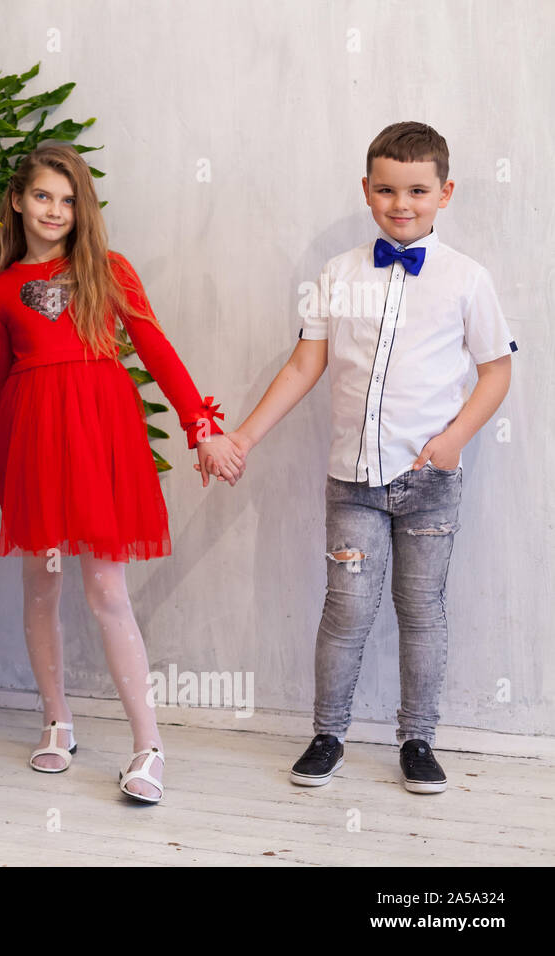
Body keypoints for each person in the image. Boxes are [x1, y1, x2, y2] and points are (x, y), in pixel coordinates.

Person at [219, 122, 515, 794]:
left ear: (445, 192)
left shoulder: (468, 280)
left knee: (422, 609)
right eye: (386, 189)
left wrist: (455, 438)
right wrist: (242, 436)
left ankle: (418, 739)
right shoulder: (338, 274)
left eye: (417, 189)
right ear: (367, 190)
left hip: (429, 481)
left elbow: (496, 372)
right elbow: (304, 364)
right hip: (351, 480)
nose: (401, 203)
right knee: (346, 609)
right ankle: (328, 734)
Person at [0, 142, 241, 804]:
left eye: (68, 200)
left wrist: (200, 426)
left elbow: (156, 350)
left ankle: (148, 746)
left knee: (106, 591)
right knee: (41, 583)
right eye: (42, 196)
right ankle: (57, 721)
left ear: (82, 208)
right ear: (17, 200)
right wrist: (5, 466)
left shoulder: (108, 270)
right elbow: (6, 385)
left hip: (100, 438)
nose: (54, 210)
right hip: (36, 446)